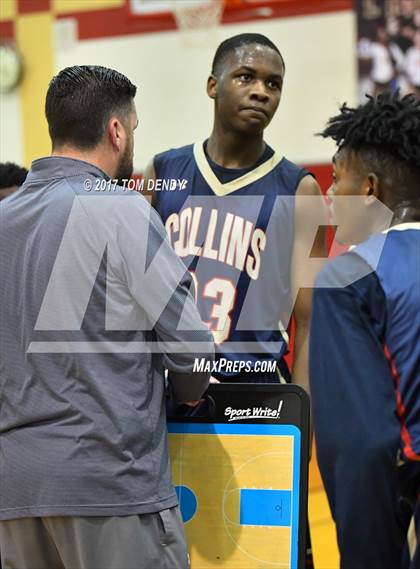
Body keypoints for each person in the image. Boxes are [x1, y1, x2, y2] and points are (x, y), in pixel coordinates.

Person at [0, 65, 214, 569]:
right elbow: (190, 349)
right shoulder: (122, 209)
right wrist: (189, 392)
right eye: (133, 129)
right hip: (110, 489)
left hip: (14, 494)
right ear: (116, 131)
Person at [144, 33, 325, 392]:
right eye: (246, 77)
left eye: (273, 83)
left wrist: (303, 427)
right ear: (213, 85)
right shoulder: (163, 172)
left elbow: (308, 326)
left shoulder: (300, 190)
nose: (261, 91)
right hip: (167, 388)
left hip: (255, 392)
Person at [310, 91, 420, 569]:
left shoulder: (348, 276)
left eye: (338, 180)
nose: (329, 195)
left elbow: (362, 445)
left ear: (371, 189)